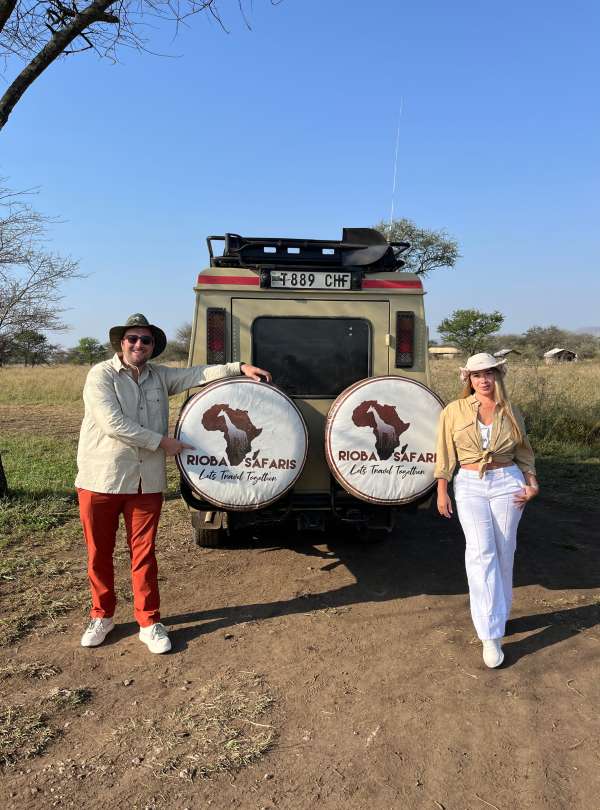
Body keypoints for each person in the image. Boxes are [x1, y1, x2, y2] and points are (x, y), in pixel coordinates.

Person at [76, 313, 271, 654]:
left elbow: (198, 374)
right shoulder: (101, 375)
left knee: (144, 554)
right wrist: (162, 443)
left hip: (146, 481)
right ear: (121, 342)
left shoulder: (160, 377)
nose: (139, 344)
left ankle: (149, 621)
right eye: (133, 338)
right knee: (99, 553)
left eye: (146, 340)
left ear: (153, 346)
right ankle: (101, 615)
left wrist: (240, 368)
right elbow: (112, 423)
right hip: (102, 477)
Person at [434, 352, 538, 668]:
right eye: (477, 375)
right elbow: (444, 452)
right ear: (468, 379)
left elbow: (524, 452)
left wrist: (532, 483)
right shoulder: (453, 411)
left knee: (505, 550)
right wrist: (442, 489)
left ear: (497, 376)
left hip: (508, 481)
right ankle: (489, 634)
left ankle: (500, 613)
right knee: (481, 552)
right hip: (469, 483)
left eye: (489, 373)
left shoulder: (511, 410)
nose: (483, 379)